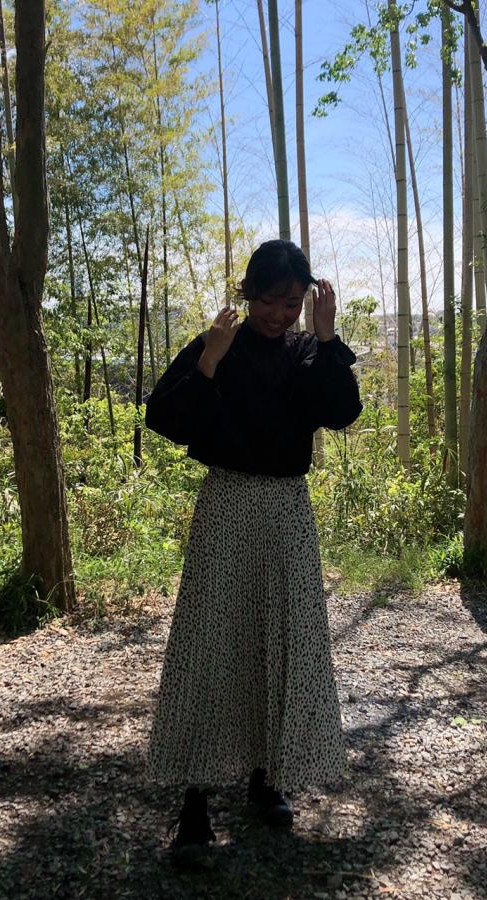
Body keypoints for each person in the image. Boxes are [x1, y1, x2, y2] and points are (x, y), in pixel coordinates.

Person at [143, 239, 363, 865]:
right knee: (211, 644)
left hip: (288, 510)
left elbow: (341, 412)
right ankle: (194, 804)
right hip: (227, 505)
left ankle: (268, 779)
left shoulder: (308, 350)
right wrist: (210, 360)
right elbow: (164, 418)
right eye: (268, 300)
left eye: (291, 303)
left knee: (280, 639)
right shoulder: (220, 343)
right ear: (247, 293)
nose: (278, 314)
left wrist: (327, 337)